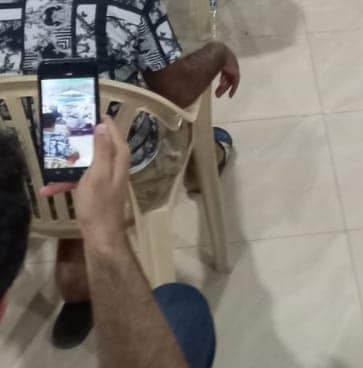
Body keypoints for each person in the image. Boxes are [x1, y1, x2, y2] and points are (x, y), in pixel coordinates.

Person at [2, 0, 239, 349]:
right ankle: (204, 162)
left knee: (51, 118)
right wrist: (217, 51)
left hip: (13, 182)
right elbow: (174, 89)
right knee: (175, 117)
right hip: (120, 174)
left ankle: (74, 259)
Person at [0, 122, 216, 367]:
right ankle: (205, 162)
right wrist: (106, 239)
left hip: (38, 192)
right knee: (183, 306)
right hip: (128, 170)